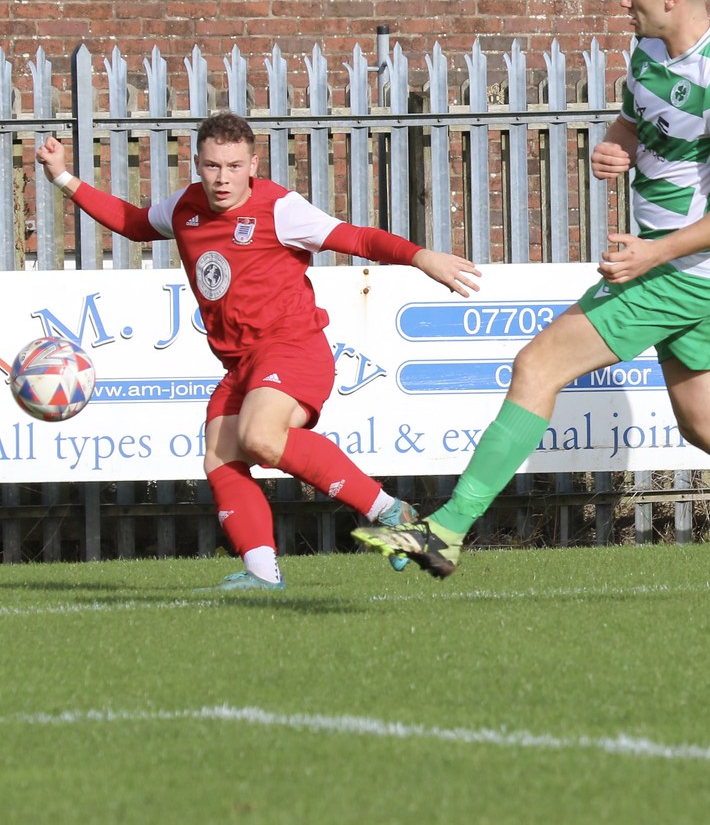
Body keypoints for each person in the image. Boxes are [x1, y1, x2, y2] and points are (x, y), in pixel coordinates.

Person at [353, 0, 710, 597]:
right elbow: (634, 124)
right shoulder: (648, 53)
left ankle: (448, 528)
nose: (624, 2)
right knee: (708, 422)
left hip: (676, 272)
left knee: (536, 365)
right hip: (683, 269)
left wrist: (653, 252)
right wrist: (615, 147)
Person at [37, 113, 480, 590]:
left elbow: (357, 238)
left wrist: (421, 257)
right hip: (241, 364)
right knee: (220, 456)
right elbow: (133, 223)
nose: (222, 178)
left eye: (233, 166)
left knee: (260, 437)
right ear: (197, 164)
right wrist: (62, 176)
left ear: (253, 164)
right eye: (212, 166)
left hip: (293, 347)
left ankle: (391, 513)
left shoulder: (281, 209)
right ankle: (263, 573)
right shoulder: (186, 207)